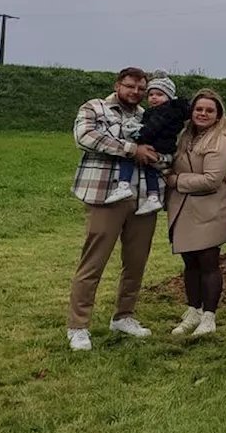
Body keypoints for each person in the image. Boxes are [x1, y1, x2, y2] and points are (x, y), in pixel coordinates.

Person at [66, 67, 165, 350]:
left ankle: (124, 316)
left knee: (136, 263)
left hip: (142, 198)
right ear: (118, 85)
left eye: (140, 88)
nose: (135, 92)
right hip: (105, 196)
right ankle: (78, 326)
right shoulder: (95, 107)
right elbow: (85, 137)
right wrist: (131, 149)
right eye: (130, 86)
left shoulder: (147, 117)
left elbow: (159, 151)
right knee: (93, 262)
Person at [166, 90, 226, 338]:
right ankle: (193, 310)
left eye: (209, 110)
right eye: (199, 109)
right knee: (190, 263)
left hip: (211, 208)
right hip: (184, 209)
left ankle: (209, 316)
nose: (203, 114)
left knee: (208, 261)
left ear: (218, 116)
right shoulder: (184, 136)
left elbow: (211, 180)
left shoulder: (221, 141)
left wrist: (174, 180)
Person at [106, 74, 189, 216]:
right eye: (151, 94)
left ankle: (123, 184)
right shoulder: (169, 111)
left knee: (129, 154)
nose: (154, 97)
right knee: (150, 169)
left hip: (157, 143)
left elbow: (152, 128)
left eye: (159, 94)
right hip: (163, 145)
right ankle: (153, 196)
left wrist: (137, 137)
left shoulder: (163, 111)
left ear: (169, 96)